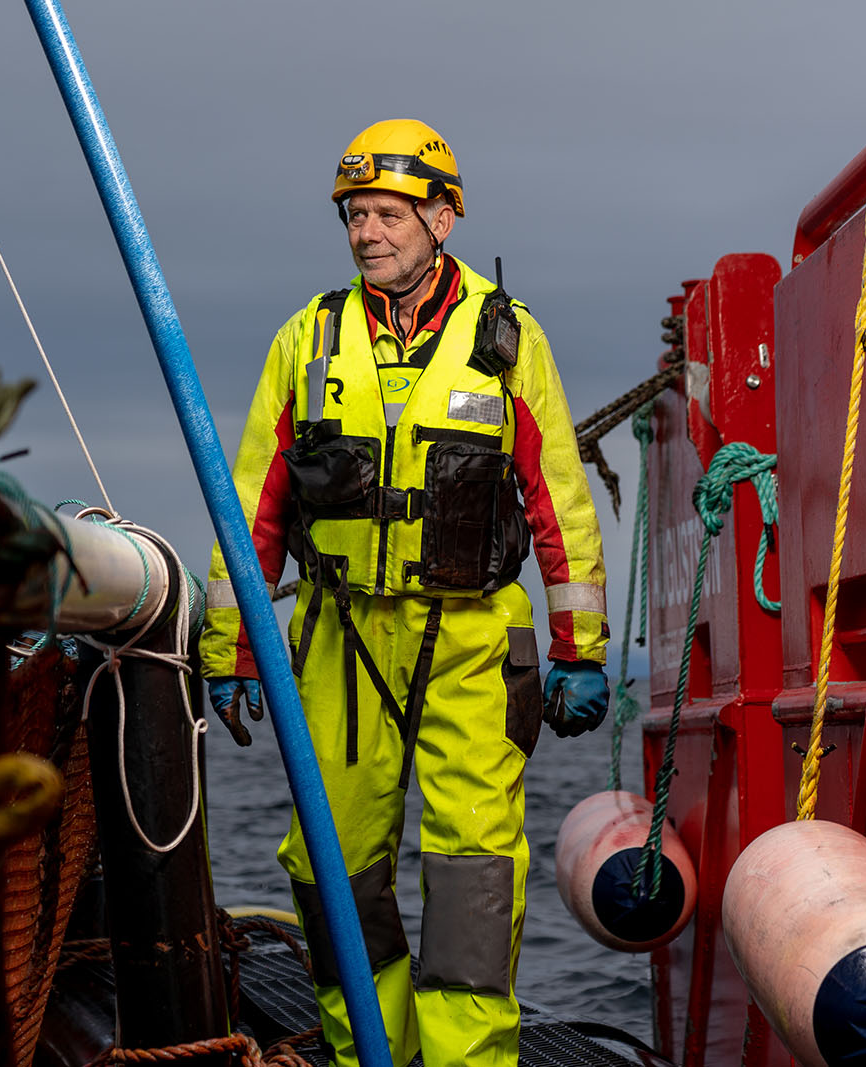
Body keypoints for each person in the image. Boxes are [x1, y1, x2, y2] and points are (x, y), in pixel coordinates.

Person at [200, 118, 610, 1067]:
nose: (367, 232)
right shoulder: (306, 340)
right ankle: (370, 1053)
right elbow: (254, 505)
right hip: (342, 638)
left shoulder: (510, 340)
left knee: (470, 878)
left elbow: (560, 504)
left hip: (472, 641)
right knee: (334, 874)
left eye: (388, 212)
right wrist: (231, 654)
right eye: (354, 214)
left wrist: (581, 649)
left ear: (443, 218)